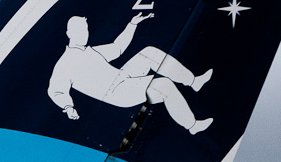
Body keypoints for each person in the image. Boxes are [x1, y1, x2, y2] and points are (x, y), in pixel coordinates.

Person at [46, 14, 213, 134]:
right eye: (79, 31)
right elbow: (56, 90)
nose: (84, 34)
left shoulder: (90, 51)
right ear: (69, 34)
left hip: (122, 78)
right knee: (164, 85)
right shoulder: (64, 64)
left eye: (85, 30)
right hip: (117, 93)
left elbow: (117, 48)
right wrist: (68, 107)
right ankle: (192, 125)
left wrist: (132, 24)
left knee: (149, 53)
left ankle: (193, 81)